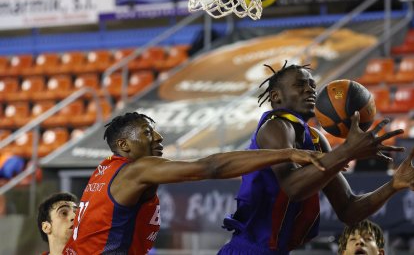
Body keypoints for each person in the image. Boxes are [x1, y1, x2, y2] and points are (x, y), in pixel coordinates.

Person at [218, 62, 414, 254]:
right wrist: (347, 151)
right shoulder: (275, 126)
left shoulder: (315, 139)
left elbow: (349, 209)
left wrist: (394, 185)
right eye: (300, 84)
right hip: (247, 250)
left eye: (312, 85)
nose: (309, 90)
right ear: (276, 96)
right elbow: (292, 188)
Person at [63, 111, 326, 254]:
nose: (158, 137)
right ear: (124, 146)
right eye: (146, 133)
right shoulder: (136, 170)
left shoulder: (105, 170)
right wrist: (287, 153)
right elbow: (211, 167)